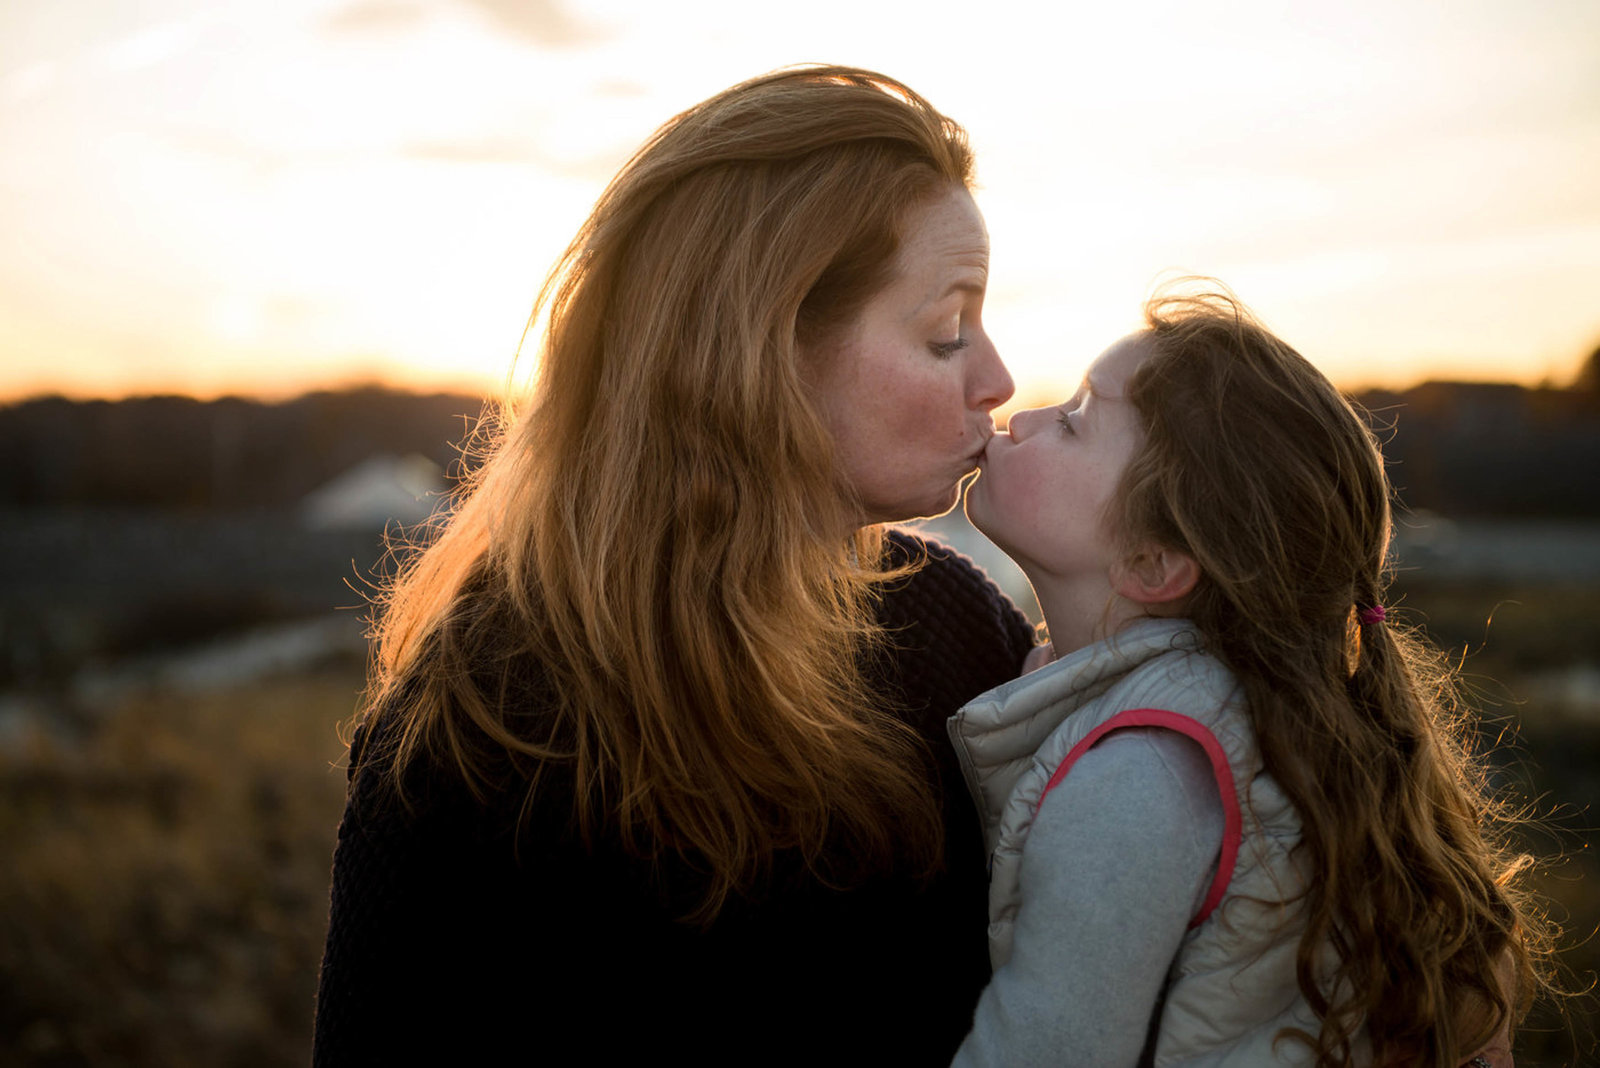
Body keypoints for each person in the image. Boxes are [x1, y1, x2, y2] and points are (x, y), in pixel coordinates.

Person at [312, 67, 1035, 1064]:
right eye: (946, 329)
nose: (997, 380)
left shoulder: (949, 624)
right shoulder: (491, 726)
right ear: (757, 349)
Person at [950, 288, 1554, 1066]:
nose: (1022, 416)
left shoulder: (1139, 781)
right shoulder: (1239, 716)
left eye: (1071, 421)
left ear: (1154, 562)